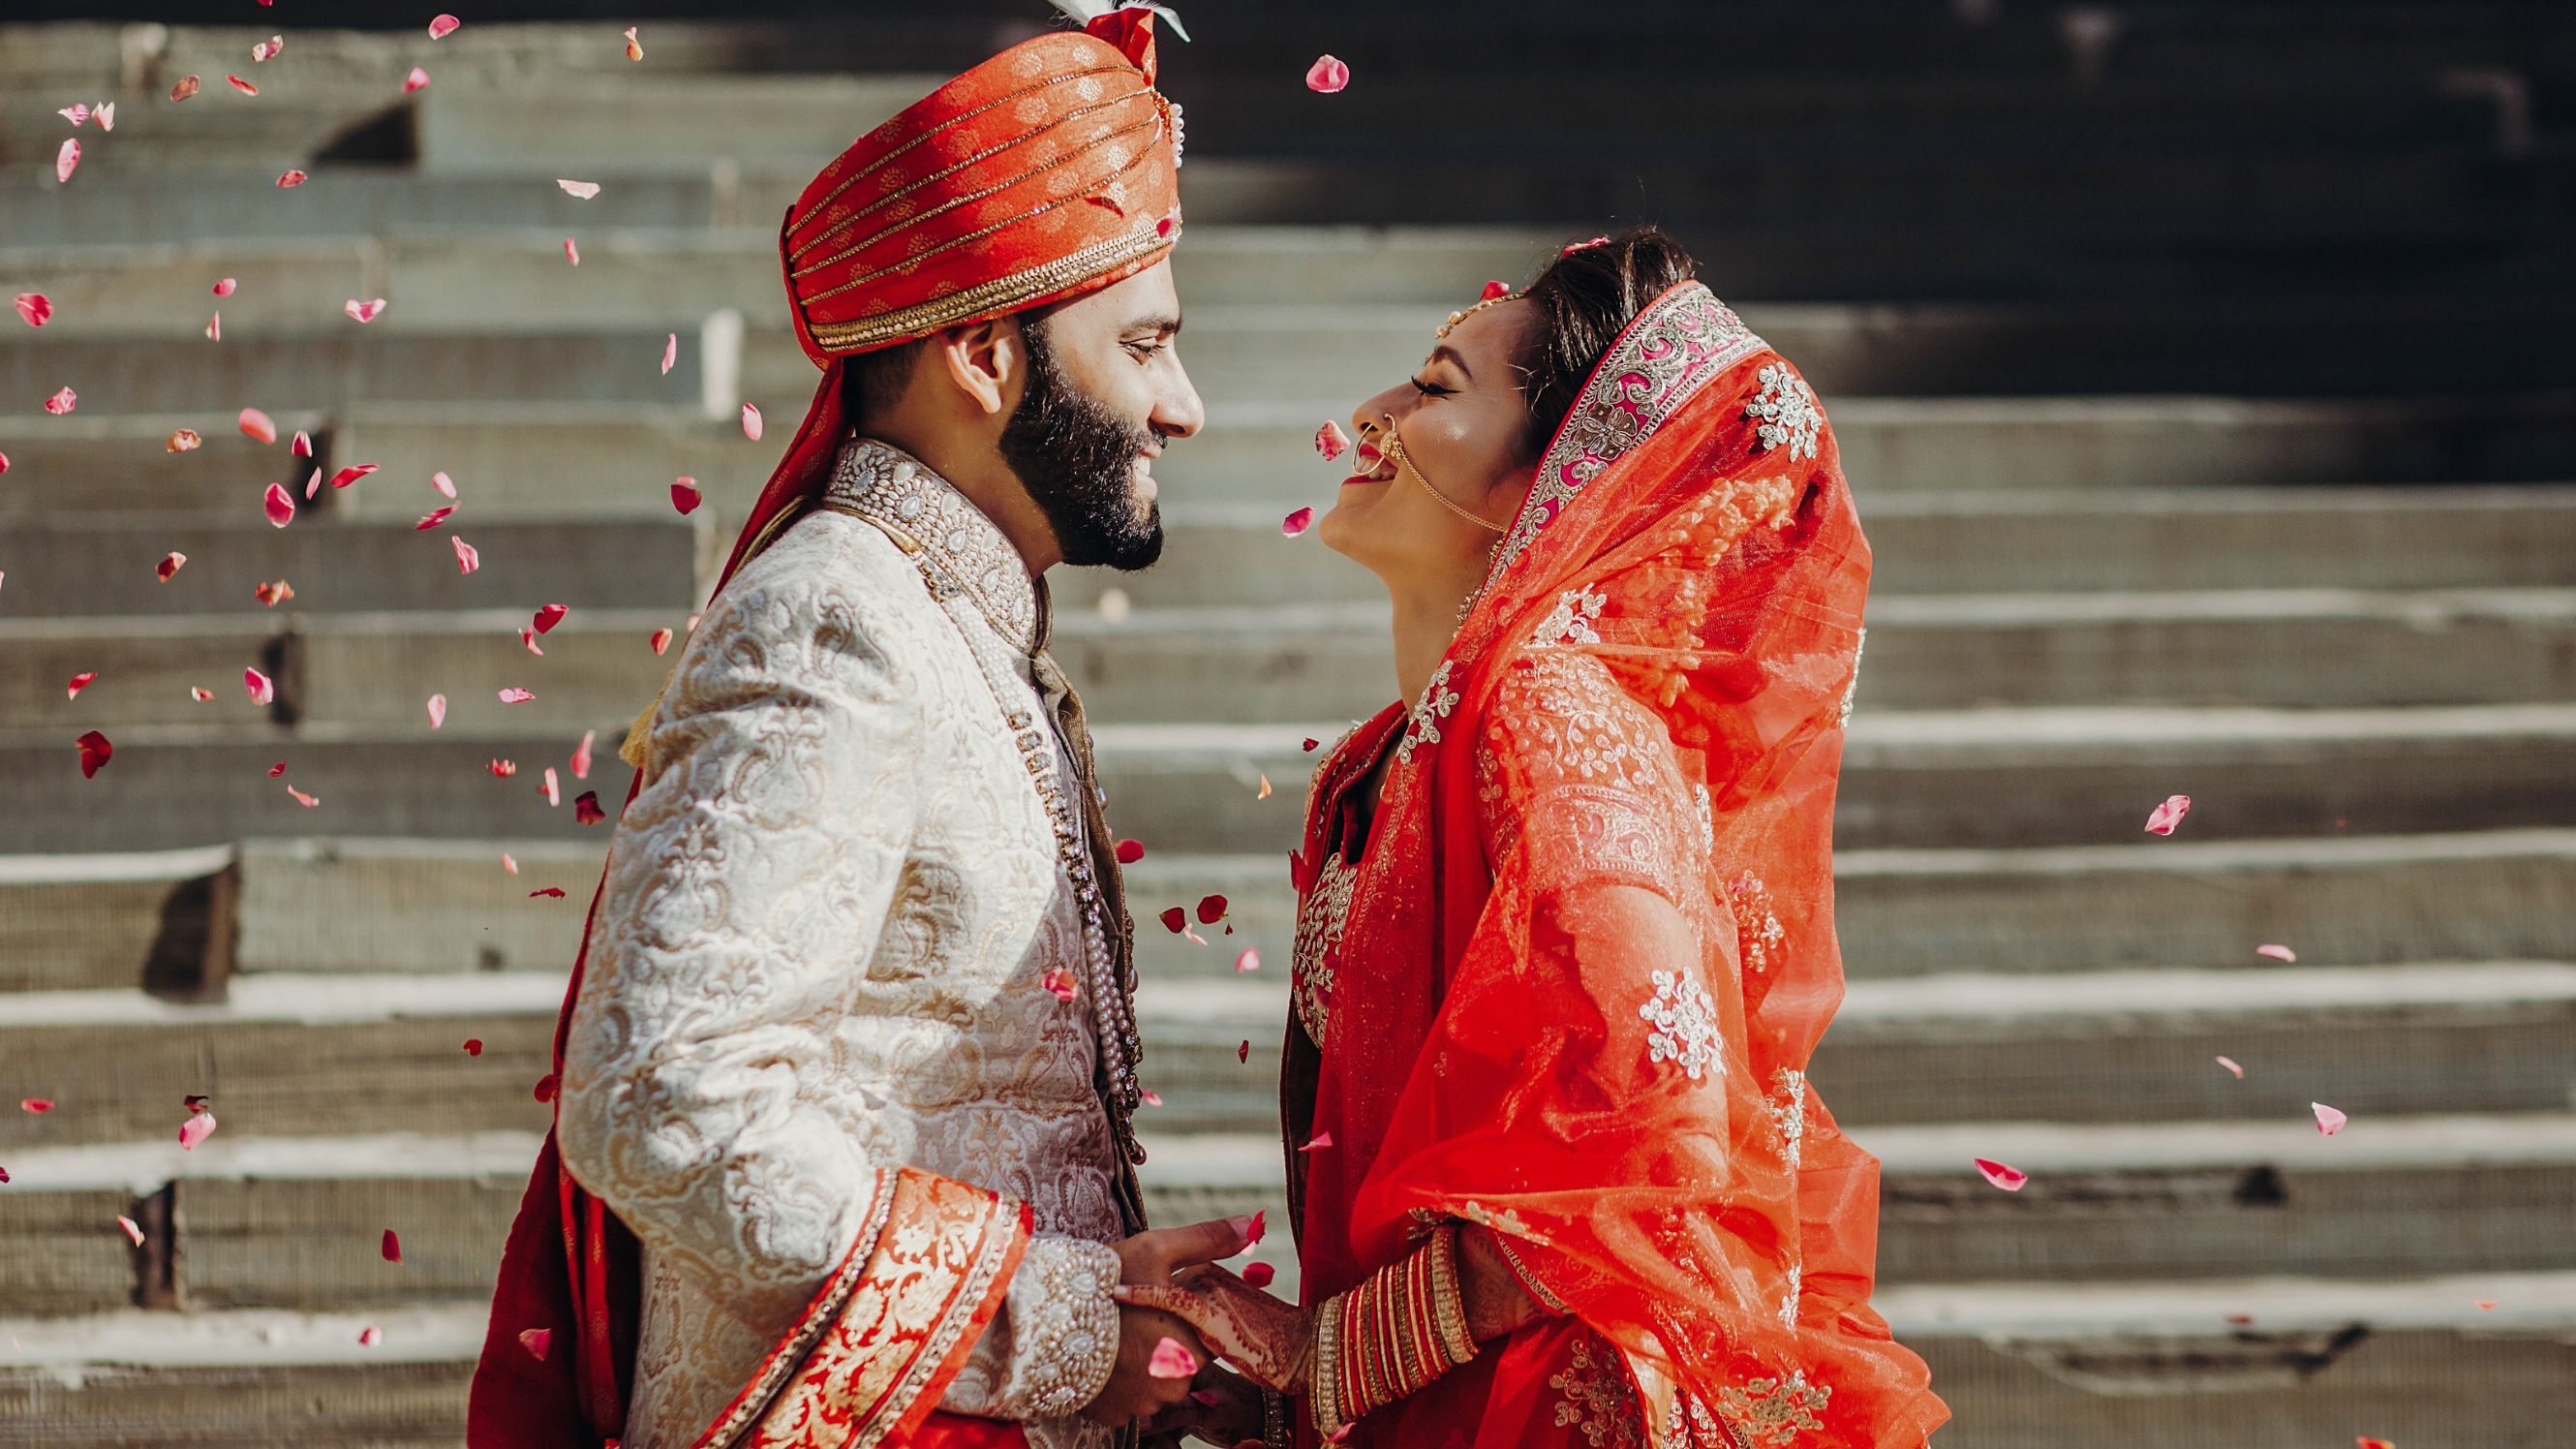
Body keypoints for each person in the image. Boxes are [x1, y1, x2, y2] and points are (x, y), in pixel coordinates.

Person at [467, 7, 1266, 1446]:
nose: (1183, 406)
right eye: (1144, 344)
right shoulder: (837, 623)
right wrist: (1069, 1322)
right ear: (982, 354)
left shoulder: (954, 624)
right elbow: (655, 1096)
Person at [1115, 230, 1952, 1447]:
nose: (1370, 411)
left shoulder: (1542, 710)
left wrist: (1326, 1352)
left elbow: (1644, 1138)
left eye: (1436, 386)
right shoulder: (1393, 753)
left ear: (1562, 480)